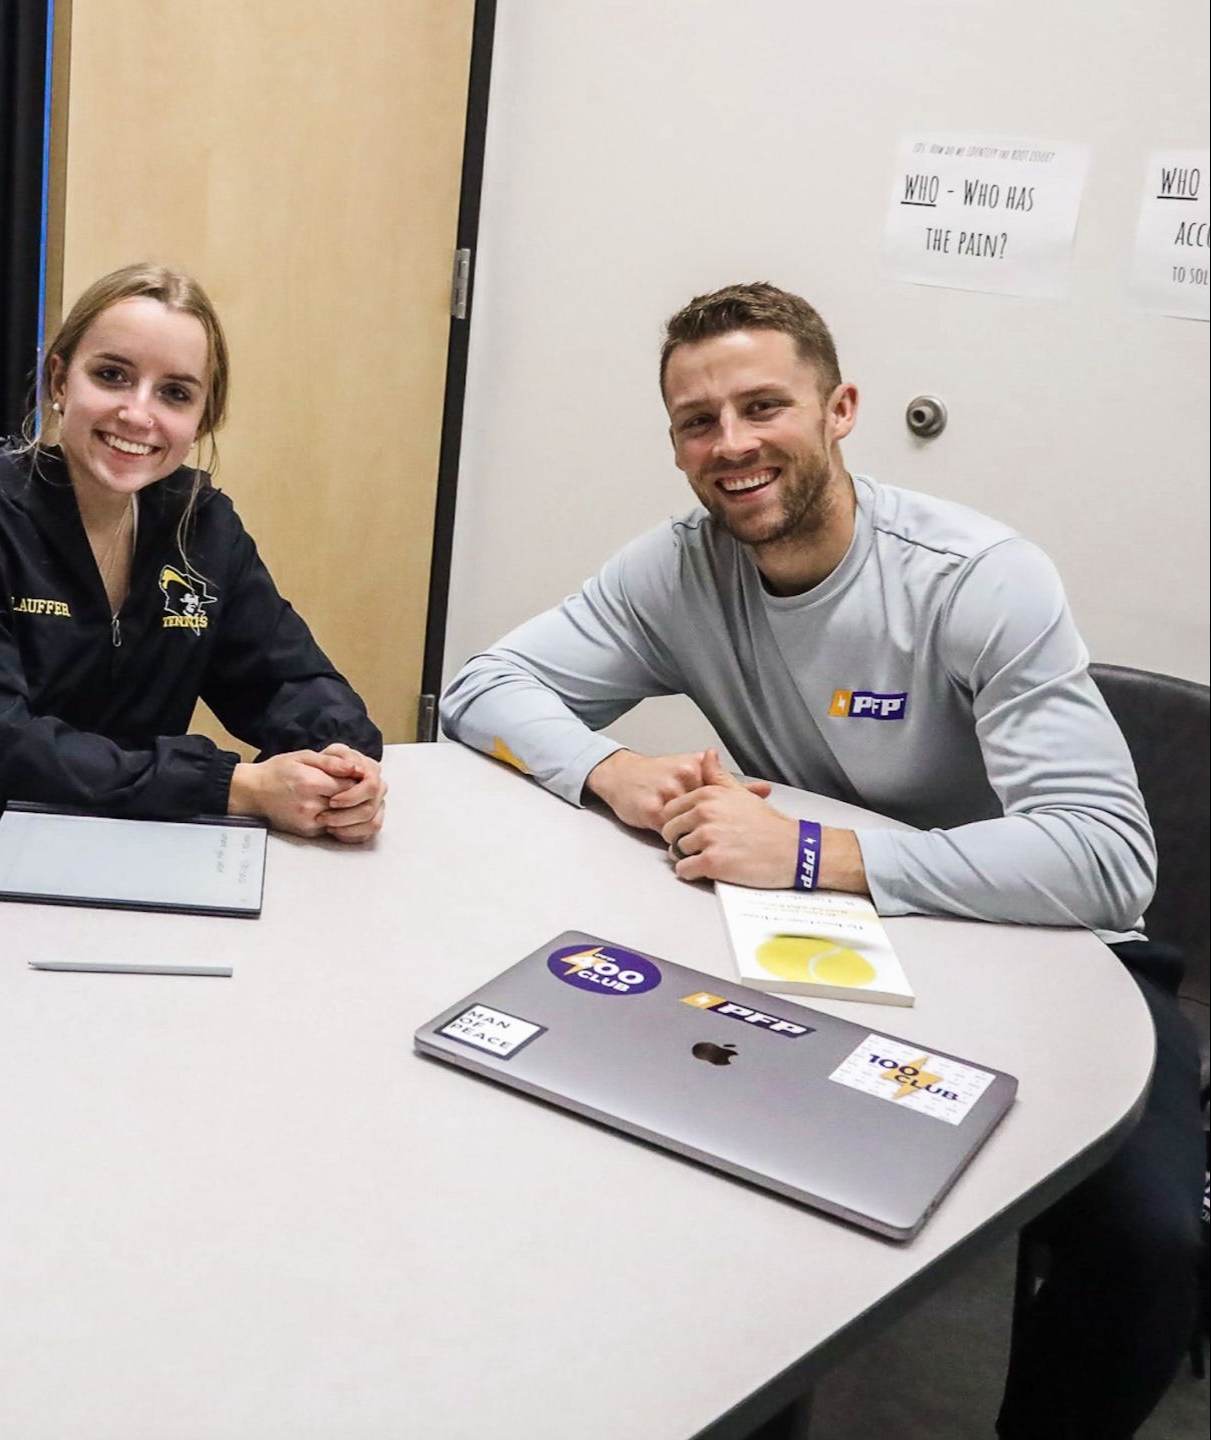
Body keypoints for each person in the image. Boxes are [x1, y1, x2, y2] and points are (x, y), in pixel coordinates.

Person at [441, 283, 1203, 1438]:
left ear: (840, 409)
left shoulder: (975, 578)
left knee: (1150, 1248)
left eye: (763, 407)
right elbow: (481, 689)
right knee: (686, 1168)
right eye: (698, 422)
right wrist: (615, 771)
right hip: (802, 944)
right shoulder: (679, 571)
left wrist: (812, 852)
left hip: (1047, 953)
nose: (732, 445)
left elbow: (1104, 862)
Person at [0, 263, 386, 868]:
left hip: (116, 846)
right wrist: (230, 786)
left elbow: (290, 680)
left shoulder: (201, 525)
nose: (138, 414)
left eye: (175, 393)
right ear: (59, 380)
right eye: (112, 376)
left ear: (202, 417)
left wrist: (338, 763)